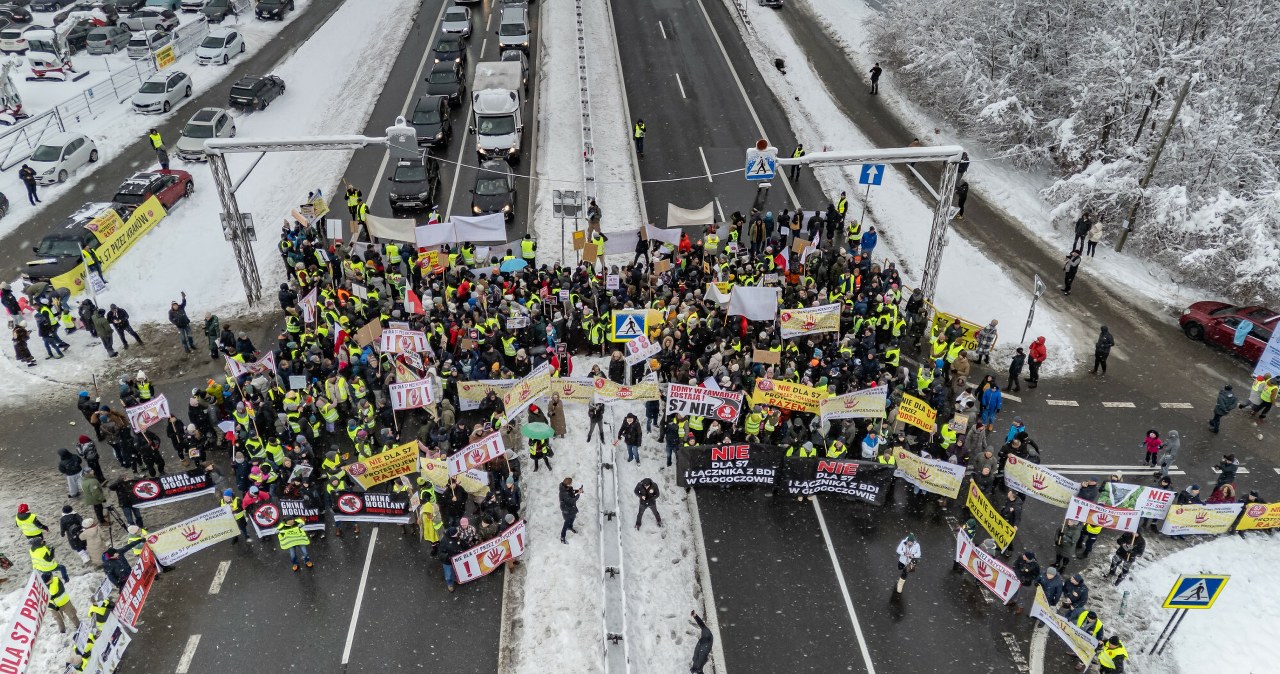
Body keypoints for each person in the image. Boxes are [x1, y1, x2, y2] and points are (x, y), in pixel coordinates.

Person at [559, 477, 581, 544]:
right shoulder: (563, 493)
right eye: (570, 483)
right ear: (567, 484)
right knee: (566, 523)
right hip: (566, 510)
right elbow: (572, 500)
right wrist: (579, 494)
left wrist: (578, 491)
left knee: (573, 518)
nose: (571, 484)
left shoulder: (568, 488)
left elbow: (572, 492)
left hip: (571, 508)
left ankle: (570, 527)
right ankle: (562, 537)